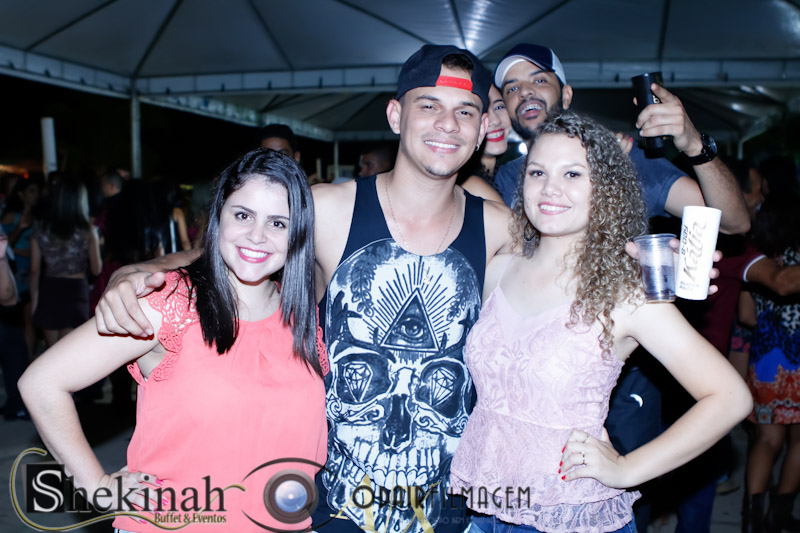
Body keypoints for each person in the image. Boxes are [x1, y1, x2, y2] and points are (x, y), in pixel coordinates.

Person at [90, 45, 722, 533]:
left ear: (484, 129)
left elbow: (569, 262)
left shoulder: (499, 230)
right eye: (429, 106)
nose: (447, 124)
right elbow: (234, 249)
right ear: (396, 115)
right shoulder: (328, 208)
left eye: (466, 111)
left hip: (461, 502)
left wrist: (647, 257)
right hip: (336, 501)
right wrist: (135, 275)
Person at [449, 111, 752, 533]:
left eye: (573, 173)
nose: (550, 187)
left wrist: (628, 468)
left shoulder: (624, 294)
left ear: (605, 190)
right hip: (485, 506)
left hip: (570, 514)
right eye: (537, 172)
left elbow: (730, 397)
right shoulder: (498, 269)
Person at [19, 148, 328, 532]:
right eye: (243, 215)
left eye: (278, 223)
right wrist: (98, 488)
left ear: (298, 233)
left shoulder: (304, 318)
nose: (257, 235)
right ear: (218, 216)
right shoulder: (171, 303)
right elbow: (42, 383)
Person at [741, 190, 800, 533]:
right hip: (797, 358)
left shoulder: (757, 259)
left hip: (765, 360)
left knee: (766, 439)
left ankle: (752, 520)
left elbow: (747, 316)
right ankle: (780, 513)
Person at [30, 179, 102, 347]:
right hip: (75, 291)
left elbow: (34, 271)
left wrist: (34, 302)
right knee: (68, 351)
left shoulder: (41, 229)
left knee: (52, 351)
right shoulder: (88, 230)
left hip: (49, 288)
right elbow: (96, 269)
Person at [457, 85, 509, 203]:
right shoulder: (472, 186)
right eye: (482, 112)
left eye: (499, 107)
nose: (495, 121)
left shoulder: (504, 175)